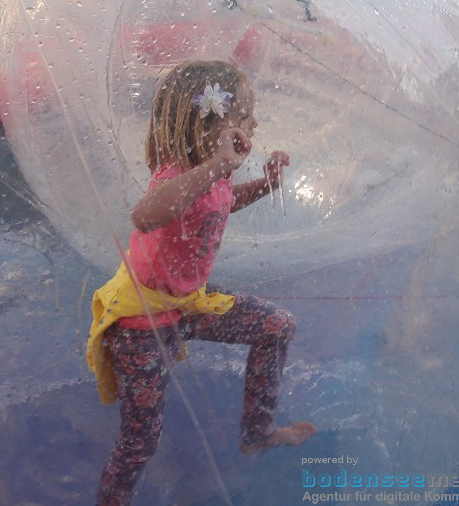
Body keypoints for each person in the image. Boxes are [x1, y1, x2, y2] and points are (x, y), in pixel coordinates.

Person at [86, 59, 315, 506]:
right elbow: (146, 215)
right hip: (142, 325)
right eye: (245, 114)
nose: (255, 122)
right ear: (214, 124)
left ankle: (257, 433)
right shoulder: (177, 173)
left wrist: (263, 185)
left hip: (189, 306)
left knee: (277, 326)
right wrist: (218, 166)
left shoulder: (215, 174)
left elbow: (218, 206)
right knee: (141, 441)